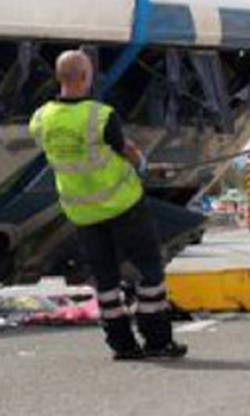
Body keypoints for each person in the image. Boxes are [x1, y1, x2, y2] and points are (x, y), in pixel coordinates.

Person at [29, 49, 187, 360]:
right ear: (85, 77)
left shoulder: (41, 119)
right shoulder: (99, 115)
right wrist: (142, 163)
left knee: (105, 280)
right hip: (122, 204)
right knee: (149, 271)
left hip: (82, 212)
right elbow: (124, 149)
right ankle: (157, 340)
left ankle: (122, 345)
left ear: (59, 77)